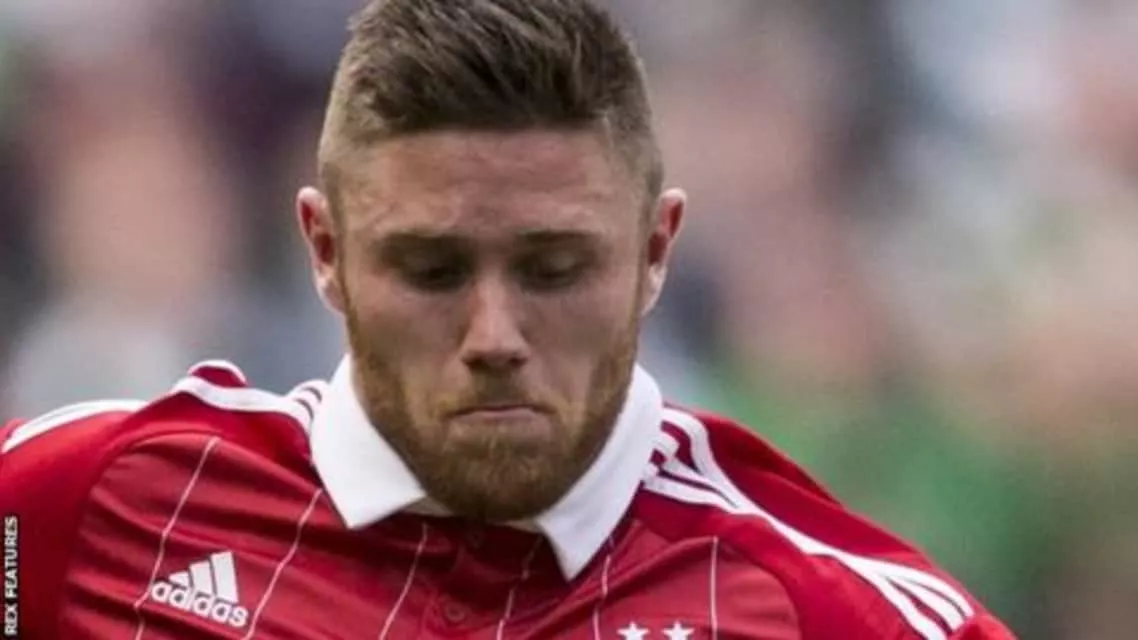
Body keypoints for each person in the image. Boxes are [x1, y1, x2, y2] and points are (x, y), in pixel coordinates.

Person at [0, 0, 1015, 637]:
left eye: (555, 268)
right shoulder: (84, 503)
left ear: (655, 251)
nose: (494, 334)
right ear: (326, 251)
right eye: (431, 270)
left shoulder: (830, 610)